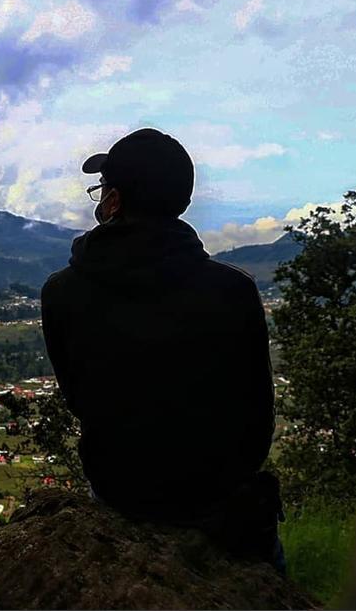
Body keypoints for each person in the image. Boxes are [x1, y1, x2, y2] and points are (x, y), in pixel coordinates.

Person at [40, 127, 285, 573]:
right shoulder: (233, 291)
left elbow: (79, 401)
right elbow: (256, 414)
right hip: (222, 502)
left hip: (121, 493)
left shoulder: (61, 292)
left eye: (102, 189)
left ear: (114, 202)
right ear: (182, 203)